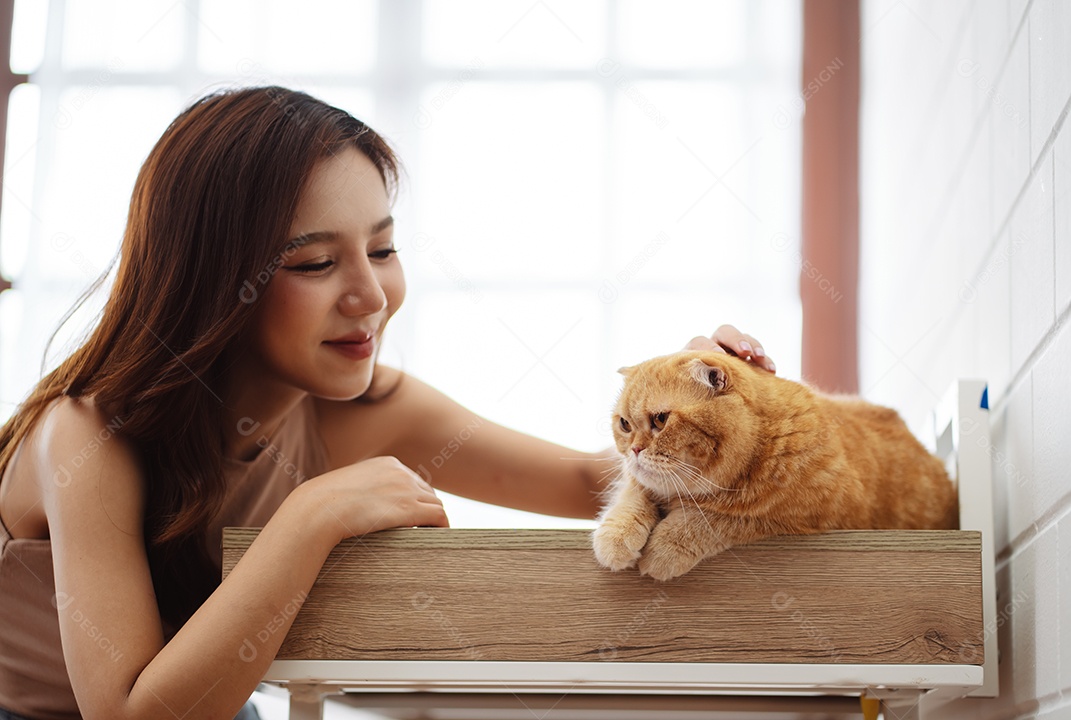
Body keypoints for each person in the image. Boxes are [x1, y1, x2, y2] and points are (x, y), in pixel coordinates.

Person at [0, 86, 776, 720]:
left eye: (382, 249)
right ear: (211, 279)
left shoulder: (363, 410)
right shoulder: (86, 435)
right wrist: (314, 516)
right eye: (314, 262)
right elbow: (129, 714)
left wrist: (712, 417)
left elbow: (586, 484)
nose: (370, 295)